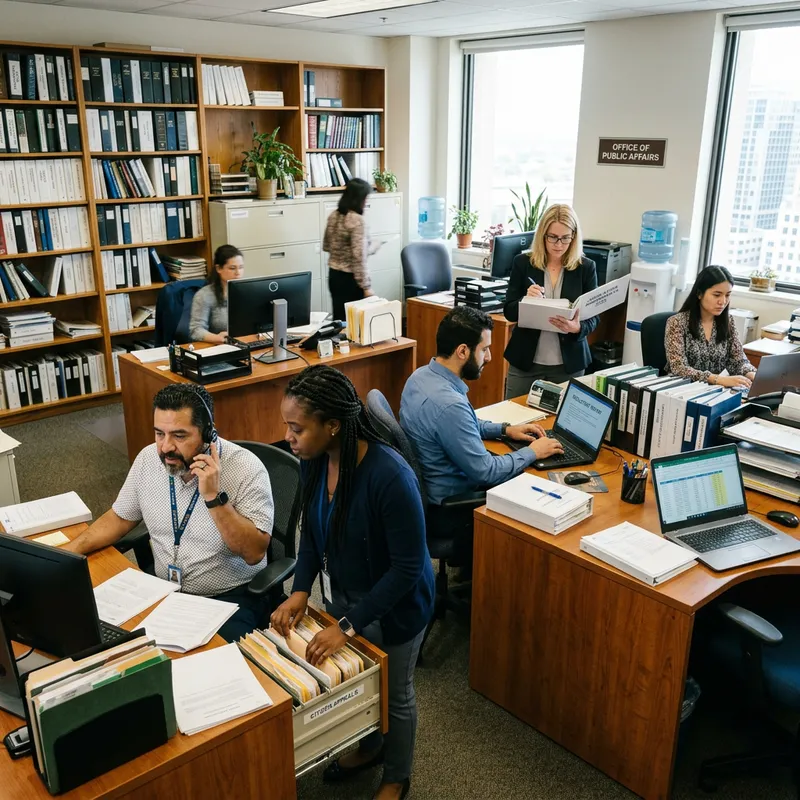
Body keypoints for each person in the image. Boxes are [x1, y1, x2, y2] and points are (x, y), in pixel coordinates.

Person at [272, 365, 433, 800]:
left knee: (395, 694)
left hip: (398, 604)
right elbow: (312, 534)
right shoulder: (314, 459)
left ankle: (397, 776)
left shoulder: (390, 477)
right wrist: (301, 590)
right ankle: (371, 746)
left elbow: (406, 568)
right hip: (346, 593)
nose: (289, 437)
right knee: (363, 680)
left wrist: (345, 627)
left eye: (296, 428)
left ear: (333, 425)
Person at [65, 383, 274, 642]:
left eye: (179, 435)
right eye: (159, 434)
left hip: (229, 598)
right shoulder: (147, 460)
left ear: (208, 435)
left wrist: (214, 498)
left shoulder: (246, 469)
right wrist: (66, 554)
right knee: (102, 638)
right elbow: (119, 517)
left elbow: (253, 553)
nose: (165, 447)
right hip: (165, 591)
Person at [400, 305, 563, 572]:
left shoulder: (421, 377)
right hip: (451, 511)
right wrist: (533, 452)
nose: (488, 357)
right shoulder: (449, 405)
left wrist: (504, 430)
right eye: (484, 349)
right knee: (540, 490)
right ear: (462, 351)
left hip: (427, 497)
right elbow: (485, 473)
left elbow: (464, 423)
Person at [502, 204, 599, 399]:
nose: (558, 244)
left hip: (568, 364)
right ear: (542, 235)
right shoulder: (523, 263)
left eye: (565, 238)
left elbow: (594, 318)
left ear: (574, 236)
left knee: (561, 425)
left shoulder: (585, 268)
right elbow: (509, 311)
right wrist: (526, 300)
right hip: (525, 362)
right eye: (552, 237)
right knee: (514, 418)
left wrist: (577, 328)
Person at [665, 264, 756, 388]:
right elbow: (678, 369)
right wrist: (718, 379)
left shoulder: (728, 321)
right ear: (699, 294)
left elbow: (738, 360)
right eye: (717, 295)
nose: (723, 301)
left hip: (716, 391)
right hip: (683, 391)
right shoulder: (677, 322)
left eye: (727, 295)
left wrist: (751, 373)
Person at [323, 177, 383, 320]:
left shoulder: (334, 216)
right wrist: (366, 286)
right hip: (351, 280)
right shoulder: (357, 221)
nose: (366, 202)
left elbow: (326, 245)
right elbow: (358, 257)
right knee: (356, 325)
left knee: (340, 321)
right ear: (359, 199)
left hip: (334, 276)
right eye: (366, 198)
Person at [189, 244, 244, 343]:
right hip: (218, 347)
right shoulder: (204, 295)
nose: (238, 272)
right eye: (232, 268)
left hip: (246, 342)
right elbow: (196, 330)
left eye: (241, 267)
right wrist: (217, 338)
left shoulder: (246, 292)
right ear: (219, 268)